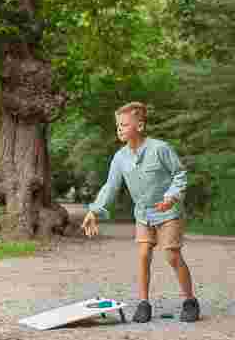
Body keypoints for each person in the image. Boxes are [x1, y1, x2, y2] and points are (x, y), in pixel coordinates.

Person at [81, 102, 200, 323]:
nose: (120, 129)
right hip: (143, 214)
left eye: (125, 125)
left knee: (172, 255)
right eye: (118, 125)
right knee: (143, 255)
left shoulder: (160, 149)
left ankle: (190, 301)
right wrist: (94, 211)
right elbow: (110, 186)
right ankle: (144, 304)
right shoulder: (120, 157)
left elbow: (179, 174)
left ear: (140, 125)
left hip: (168, 212)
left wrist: (171, 196)